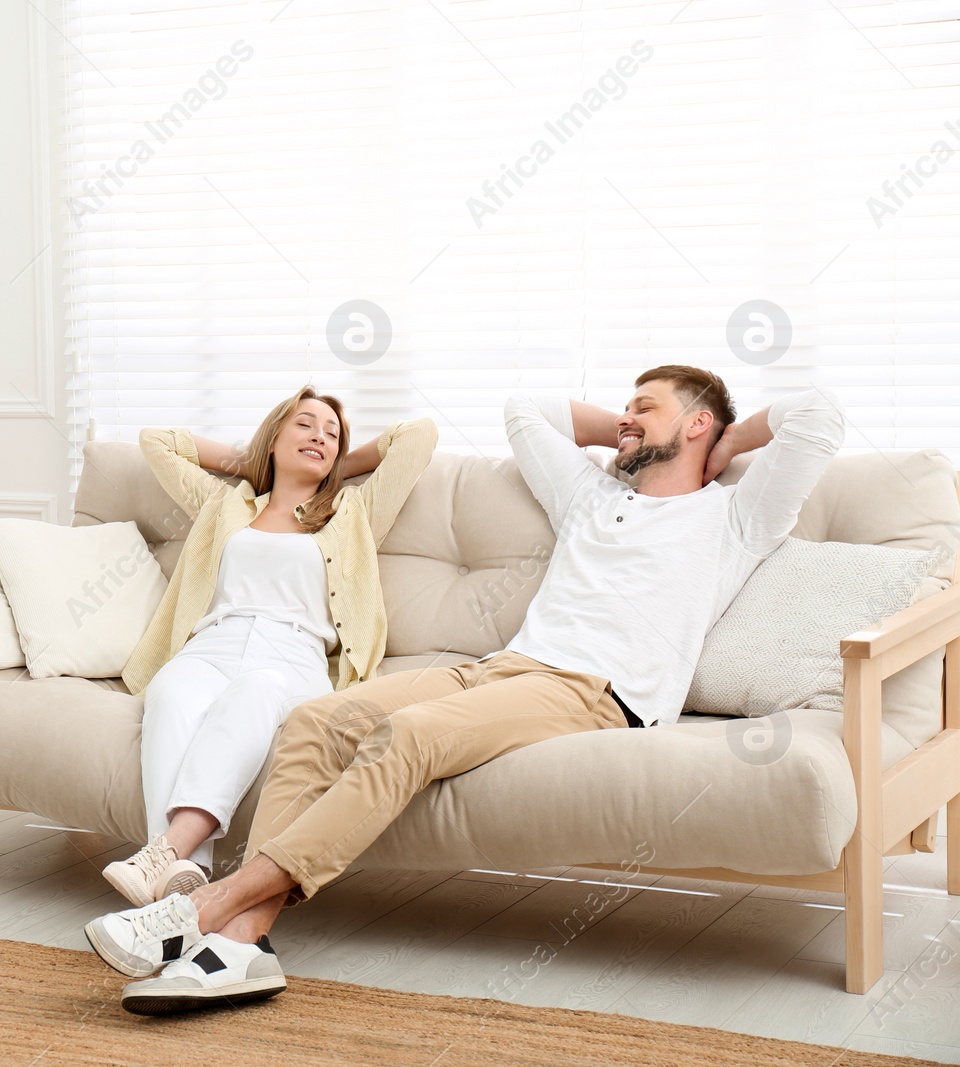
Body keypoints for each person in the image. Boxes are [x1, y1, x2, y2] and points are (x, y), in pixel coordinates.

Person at [85, 365, 845, 1016]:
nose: (623, 421)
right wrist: (643, 428)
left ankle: (206, 913)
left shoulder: (735, 518)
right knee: (316, 720)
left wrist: (725, 445)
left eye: (643, 408)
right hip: (501, 666)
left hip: (594, 690)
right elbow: (525, 409)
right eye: (623, 408)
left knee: (409, 737)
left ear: (699, 422)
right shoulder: (590, 495)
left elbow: (819, 414)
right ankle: (246, 946)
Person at [100, 387, 439, 909]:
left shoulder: (352, 512)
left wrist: (335, 465)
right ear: (275, 435)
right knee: (168, 695)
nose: (320, 437)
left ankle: (159, 855)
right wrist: (254, 462)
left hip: (292, 656)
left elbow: (418, 437)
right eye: (305, 425)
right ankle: (185, 875)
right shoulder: (225, 505)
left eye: (332, 435)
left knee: (255, 693)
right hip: (211, 645)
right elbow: (158, 442)